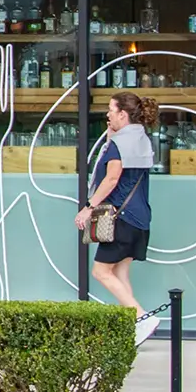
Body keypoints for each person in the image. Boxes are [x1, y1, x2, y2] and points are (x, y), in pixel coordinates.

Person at [75, 91, 162, 344]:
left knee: (101, 272)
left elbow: (112, 178)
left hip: (120, 218)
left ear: (123, 114)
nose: (107, 114)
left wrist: (88, 207)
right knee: (121, 274)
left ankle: (143, 318)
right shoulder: (140, 139)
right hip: (139, 217)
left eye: (111, 110)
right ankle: (133, 328)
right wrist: (112, 137)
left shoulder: (118, 145)